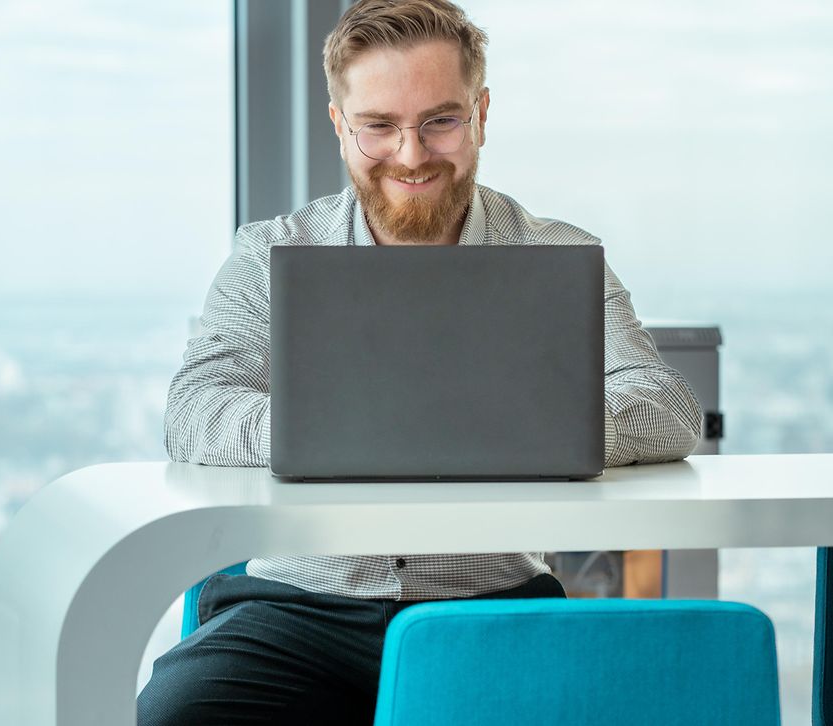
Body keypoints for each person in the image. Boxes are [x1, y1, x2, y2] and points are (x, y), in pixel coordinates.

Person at [138, 1, 702, 723]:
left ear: (482, 113)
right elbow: (195, 409)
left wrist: (536, 426)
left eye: (440, 120)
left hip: (492, 606)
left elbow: (668, 406)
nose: (411, 154)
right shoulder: (271, 253)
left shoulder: (557, 258)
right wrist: (349, 430)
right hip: (301, 607)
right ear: (341, 125)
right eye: (379, 126)